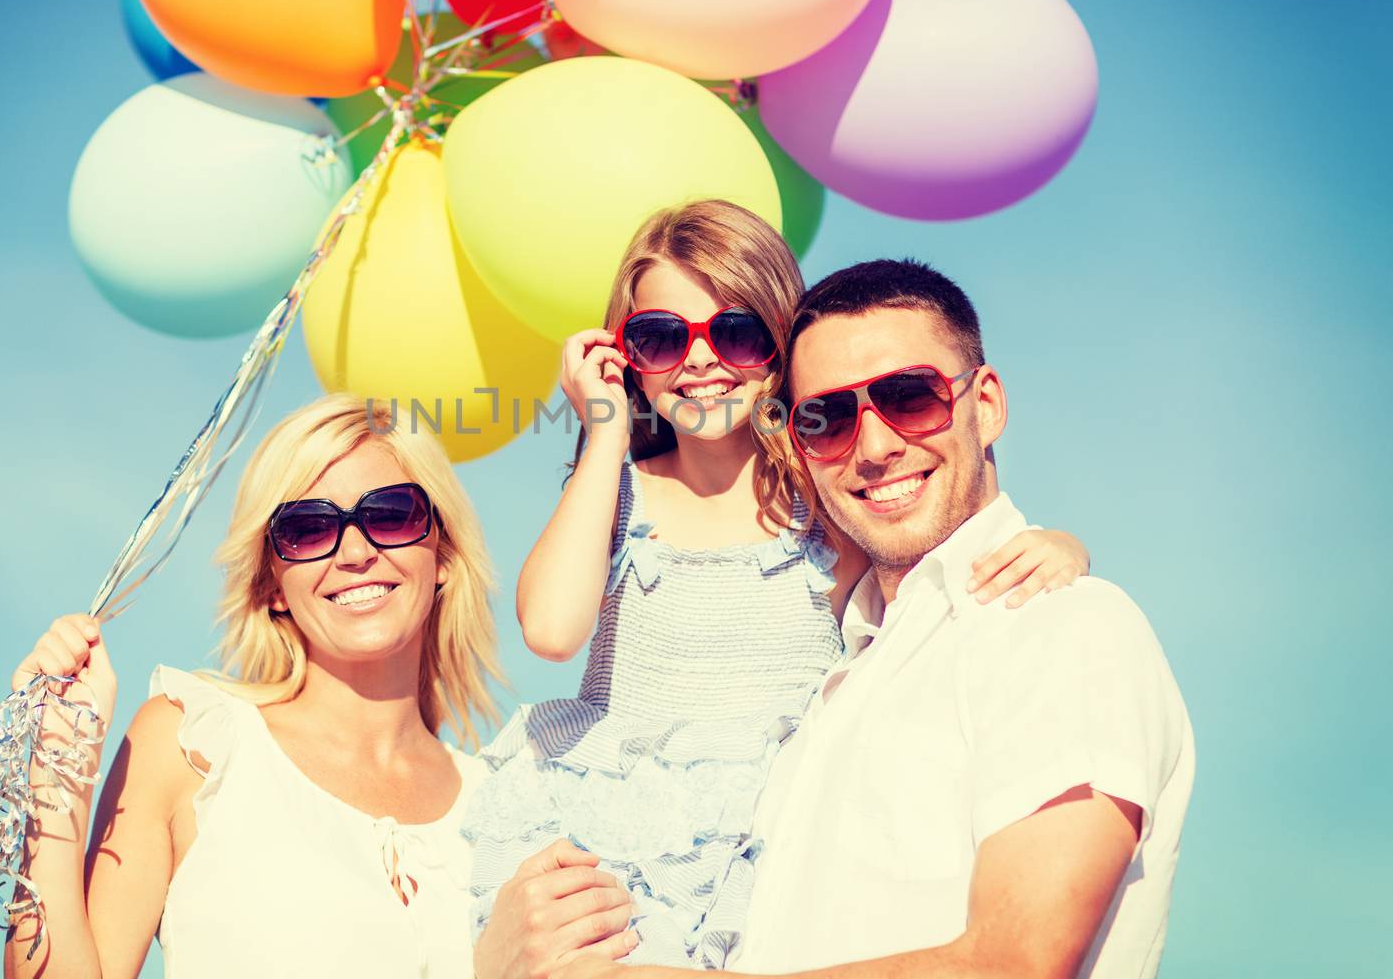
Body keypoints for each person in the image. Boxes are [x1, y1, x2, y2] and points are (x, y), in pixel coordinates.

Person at [496, 259, 1195, 979]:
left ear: (985, 404)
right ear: (799, 437)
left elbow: (1013, 962)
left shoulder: (1055, 626)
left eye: (910, 397)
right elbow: (550, 627)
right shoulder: (849, 674)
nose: (874, 446)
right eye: (827, 417)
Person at [2, 393, 504, 979]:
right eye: (309, 530)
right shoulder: (191, 746)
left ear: (441, 550)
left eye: (390, 514)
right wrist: (56, 779)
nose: (356, 553)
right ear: (271, 585)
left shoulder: (506, 807)